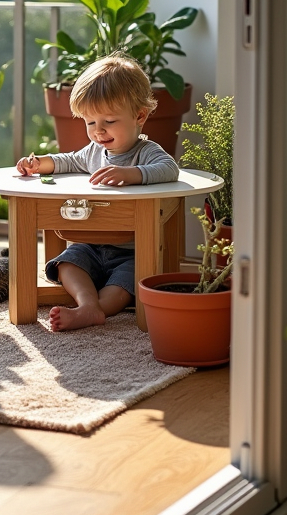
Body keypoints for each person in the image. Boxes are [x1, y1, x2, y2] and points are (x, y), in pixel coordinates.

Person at [16, 54, 178, 332]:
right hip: (90, 245)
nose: (98, 130)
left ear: (139, 115)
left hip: (131, 251)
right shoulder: (94, 152)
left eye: (109, 121)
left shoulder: (146, 152)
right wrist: (40, 163)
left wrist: (131, 174)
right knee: (67, 263)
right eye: (90, 122)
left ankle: (94, 309)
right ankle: (87, 304)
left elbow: (169, 169)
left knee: (126, 286)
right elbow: (69, 161)